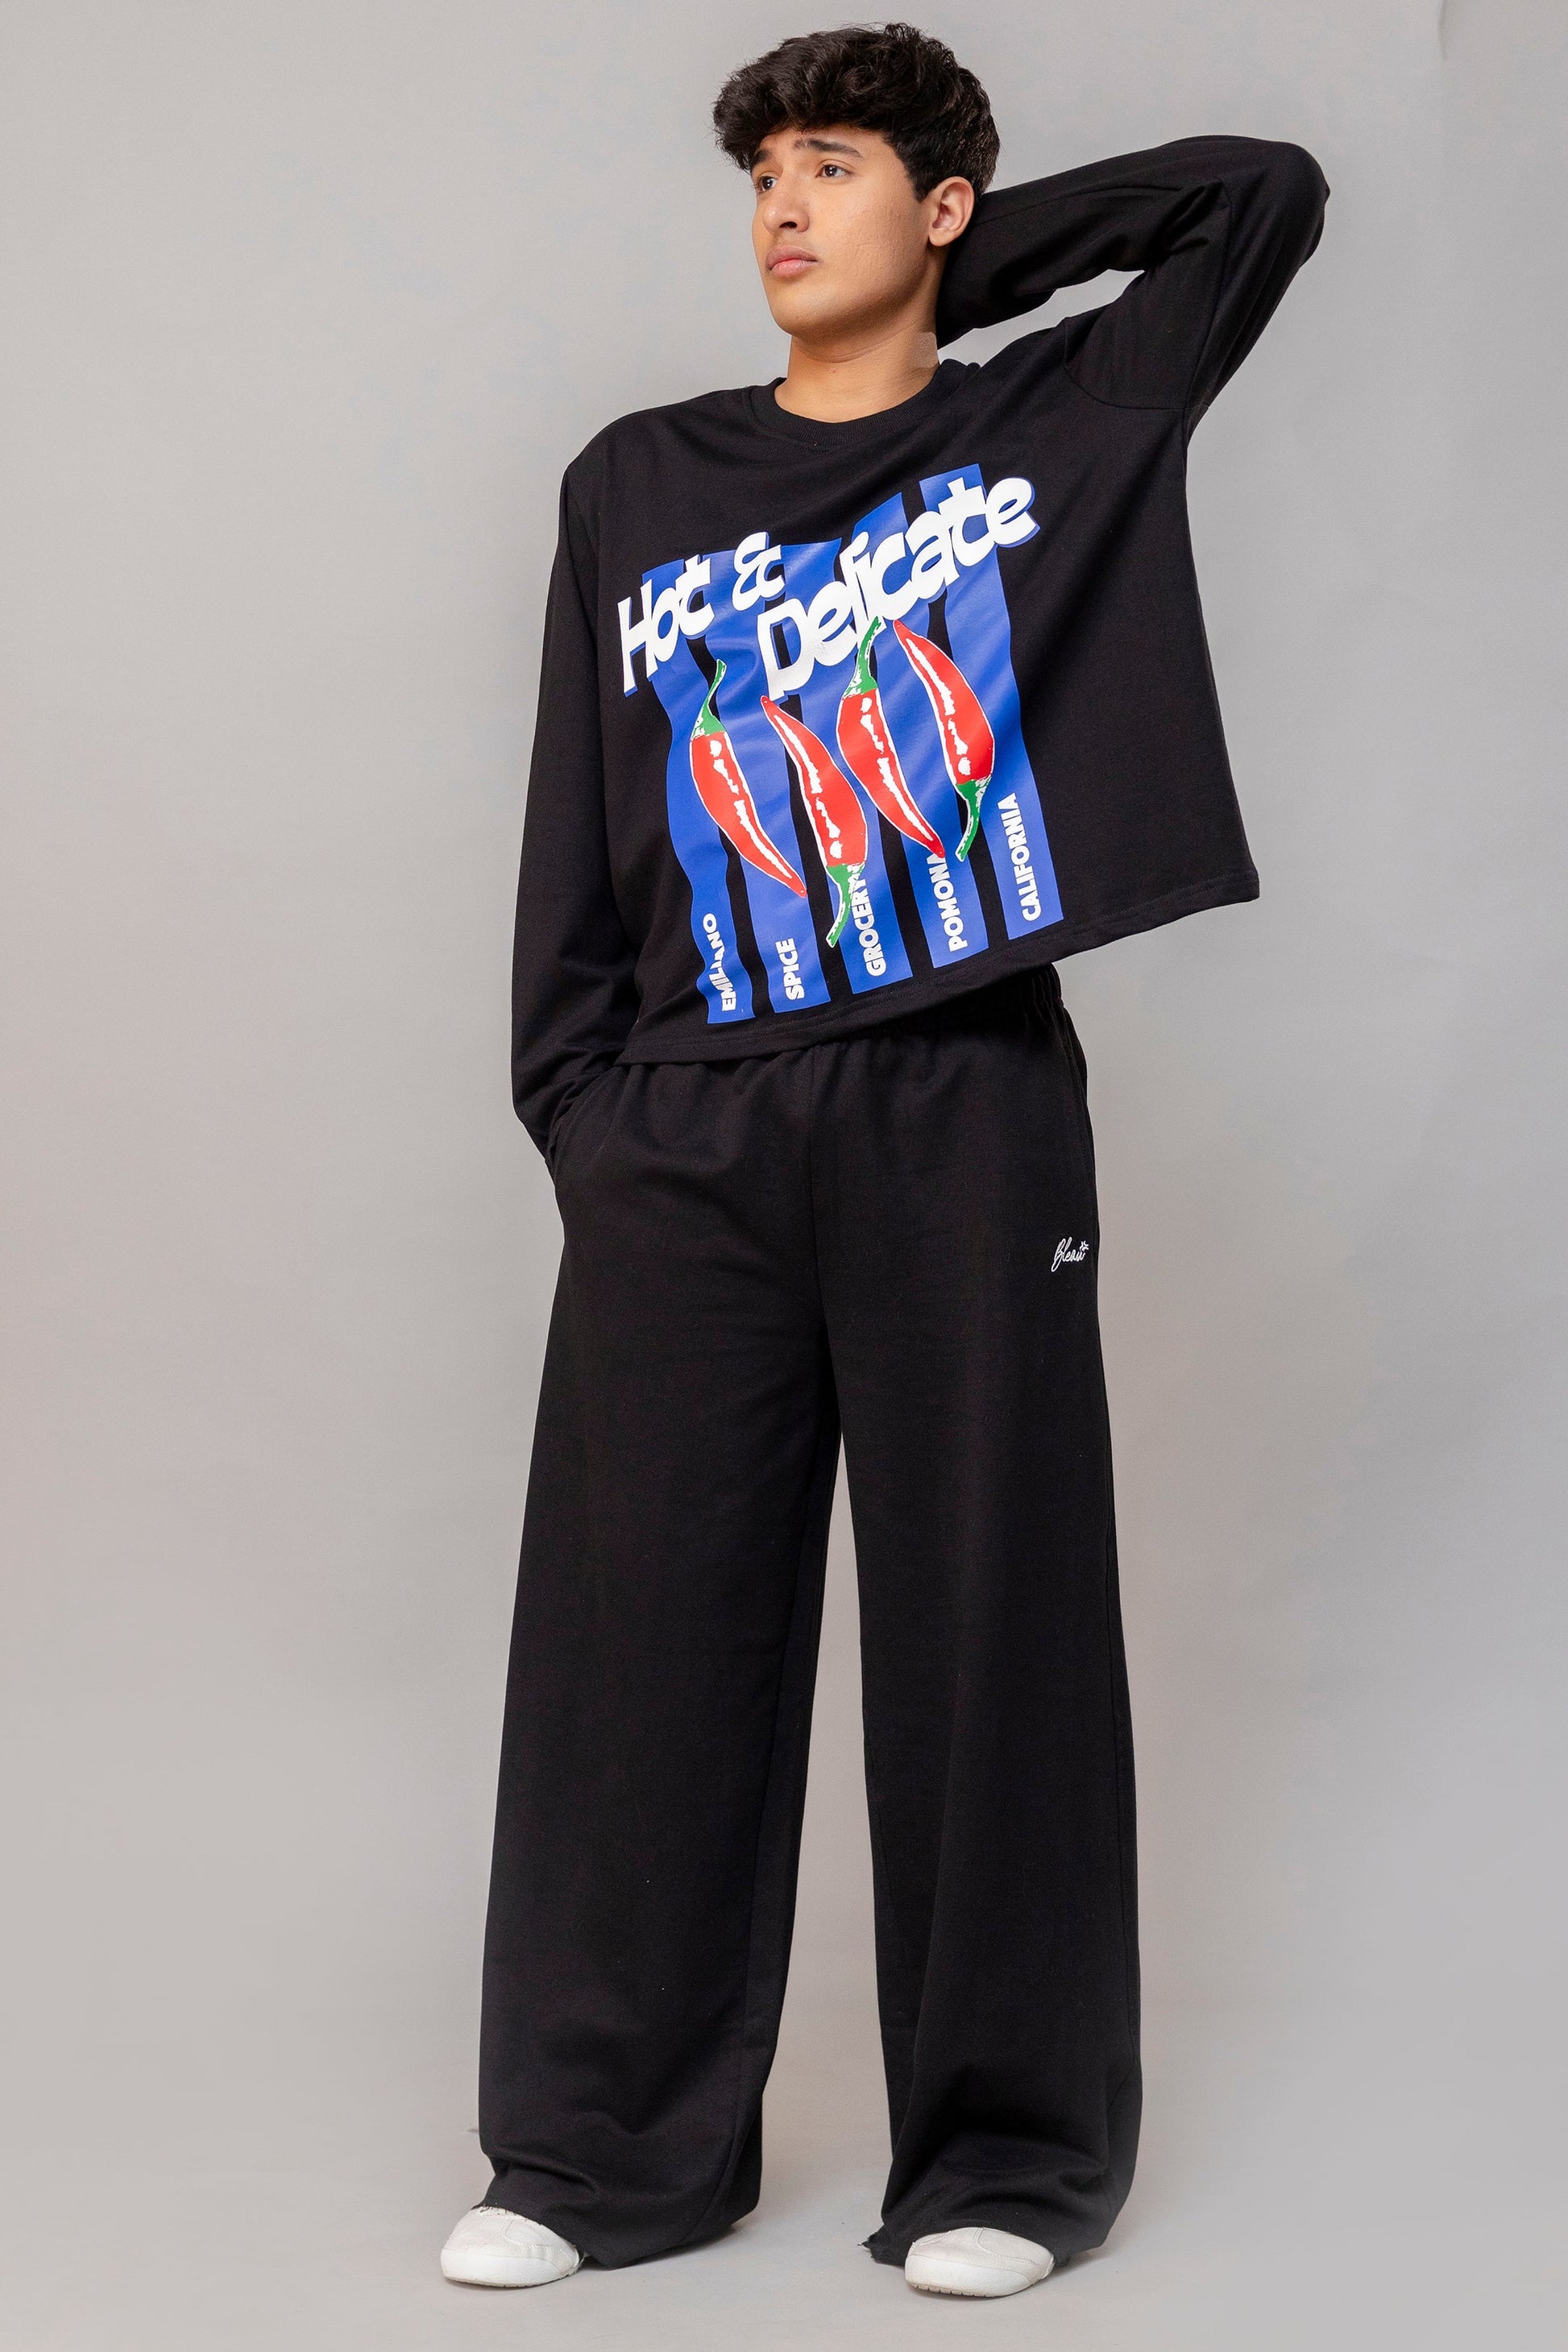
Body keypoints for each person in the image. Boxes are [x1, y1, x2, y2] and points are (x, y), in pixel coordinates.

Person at [439, 19, 1327, 2303]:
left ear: (934, 205)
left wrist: (954, 268)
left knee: (989, 1628)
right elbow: (574, 810)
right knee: (640, 1641)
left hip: (958, 1100)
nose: (778, 207)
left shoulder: (1053, 424)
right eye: (762, 173)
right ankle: (604, 2155)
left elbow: (1259, 192)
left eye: (830, 167)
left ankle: (1010, 2162)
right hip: (684, 1124)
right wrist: (583, 1104)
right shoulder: (637, 476)